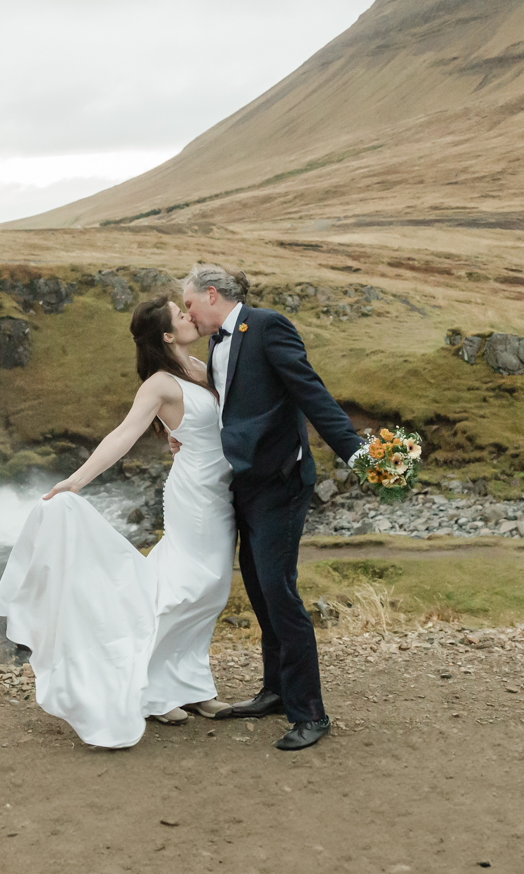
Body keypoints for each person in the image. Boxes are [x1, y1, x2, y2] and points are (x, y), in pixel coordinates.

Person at [0, 295, 235, 748]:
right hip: (195, 493)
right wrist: (78, 481)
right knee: (190, 584)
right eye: (180, 315)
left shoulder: (201, 364)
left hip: (223, 490)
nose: (189, 315)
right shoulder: (160, 383)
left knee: (214, 588)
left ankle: (191, 683)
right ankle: (154, 689)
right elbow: (124, 433)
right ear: (166, 334)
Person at [180, 262, 364, 751]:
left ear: (212, 295)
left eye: (190, 304)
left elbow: (310, 391)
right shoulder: (219, 345)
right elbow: (230, 404)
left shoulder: (266, 326)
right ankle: (276, 690)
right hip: (244, 482)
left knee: (280, 593)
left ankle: (311, 713)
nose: (188, 314)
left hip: (281, 482)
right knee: (260, 589)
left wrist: (359, 454)